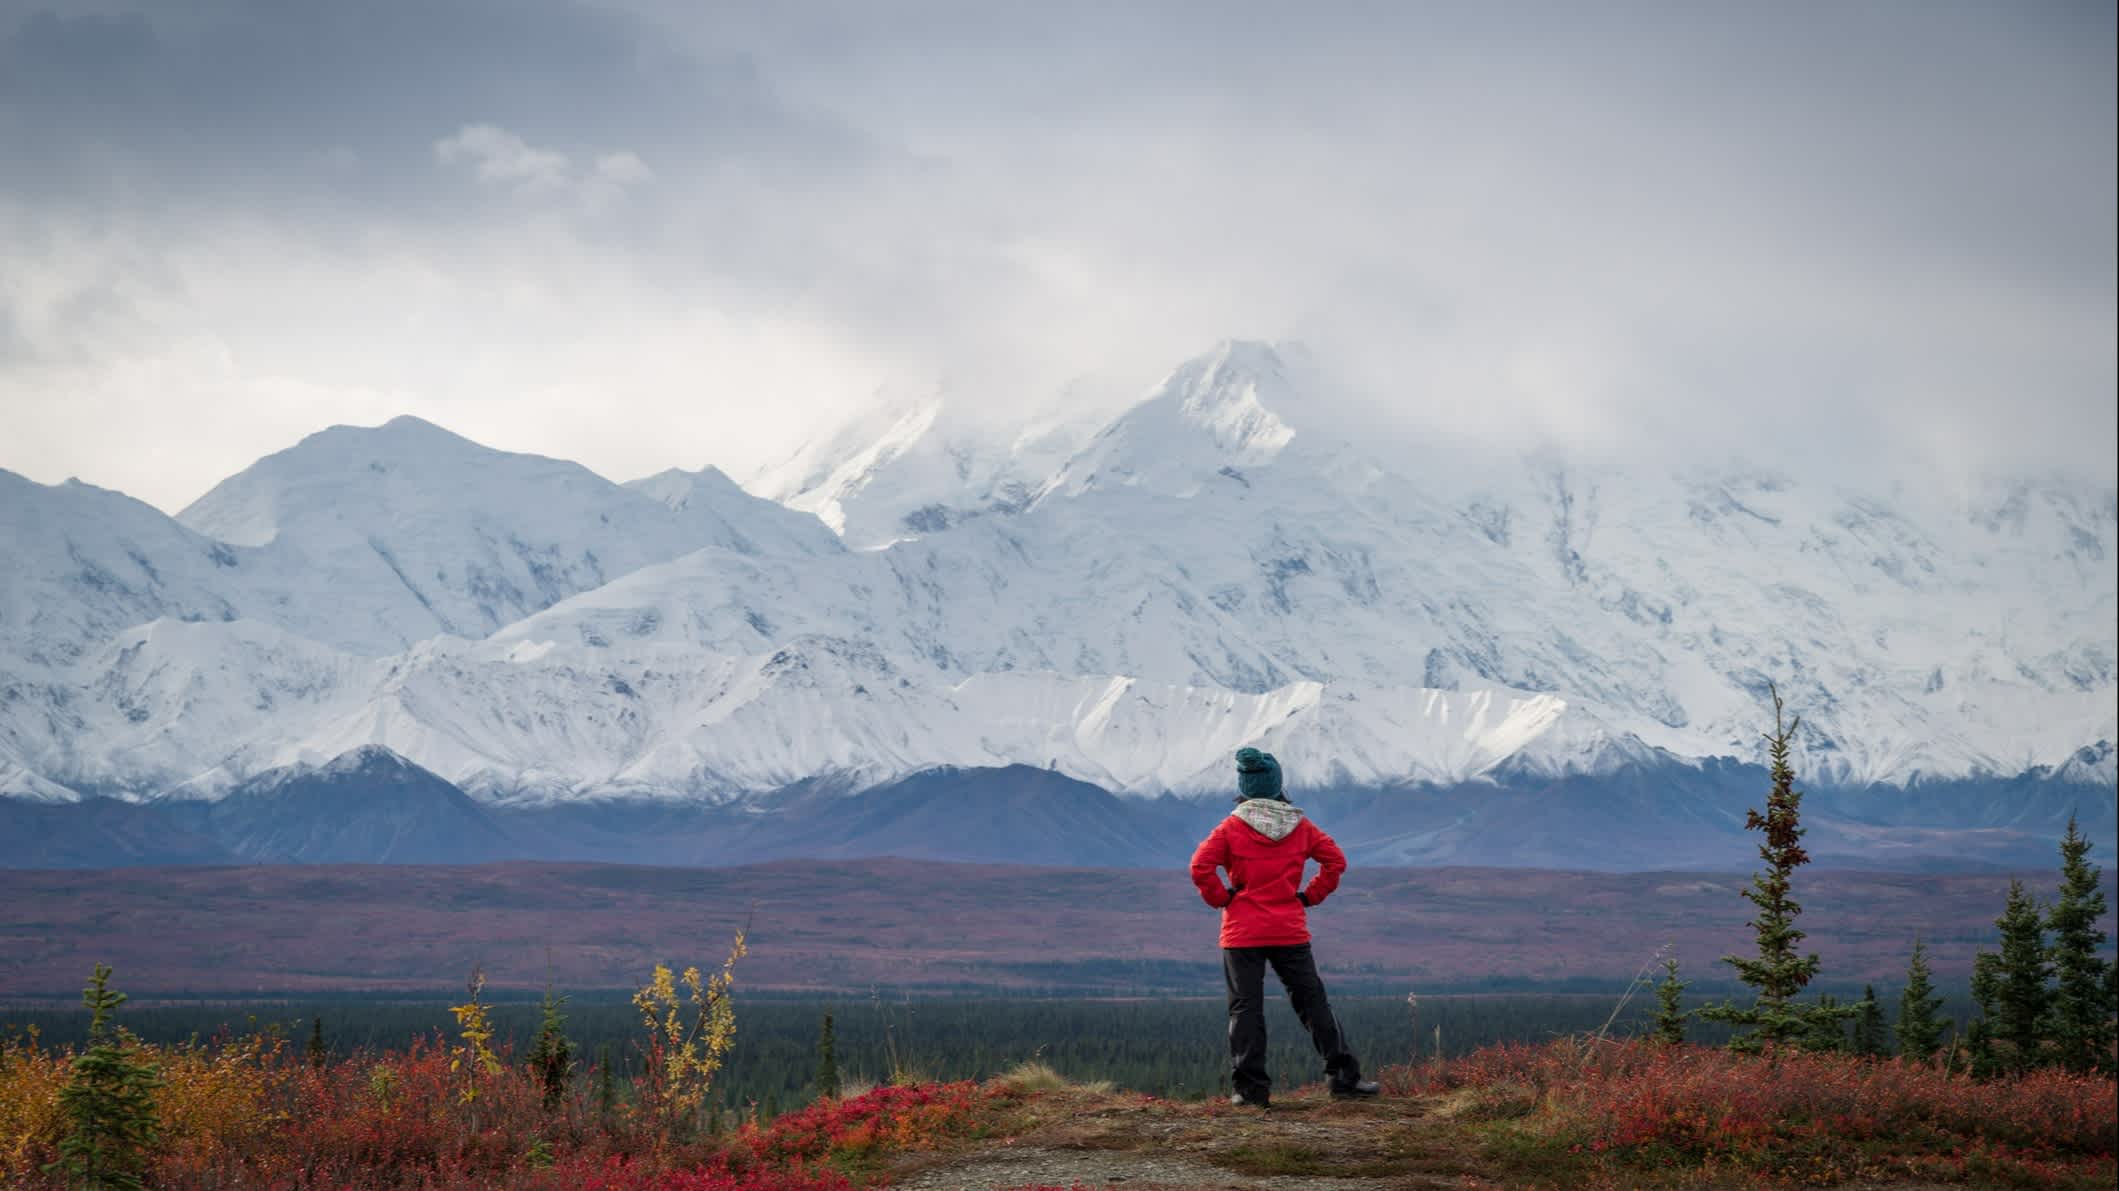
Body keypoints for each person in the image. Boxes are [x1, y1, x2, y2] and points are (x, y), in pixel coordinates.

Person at [1189, 746, 1380, 1108]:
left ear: (1244, 787)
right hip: (1289, 928)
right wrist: (1309, 896)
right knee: (1313, 1002)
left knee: (1245, 1009)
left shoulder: (1230, 828)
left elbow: (1200, 866)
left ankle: (1251, 1091)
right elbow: (1335, 862)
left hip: (1242, 932)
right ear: (1278, 785)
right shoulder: (1301, 827)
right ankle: (1345, 1078)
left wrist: (1222, 899)